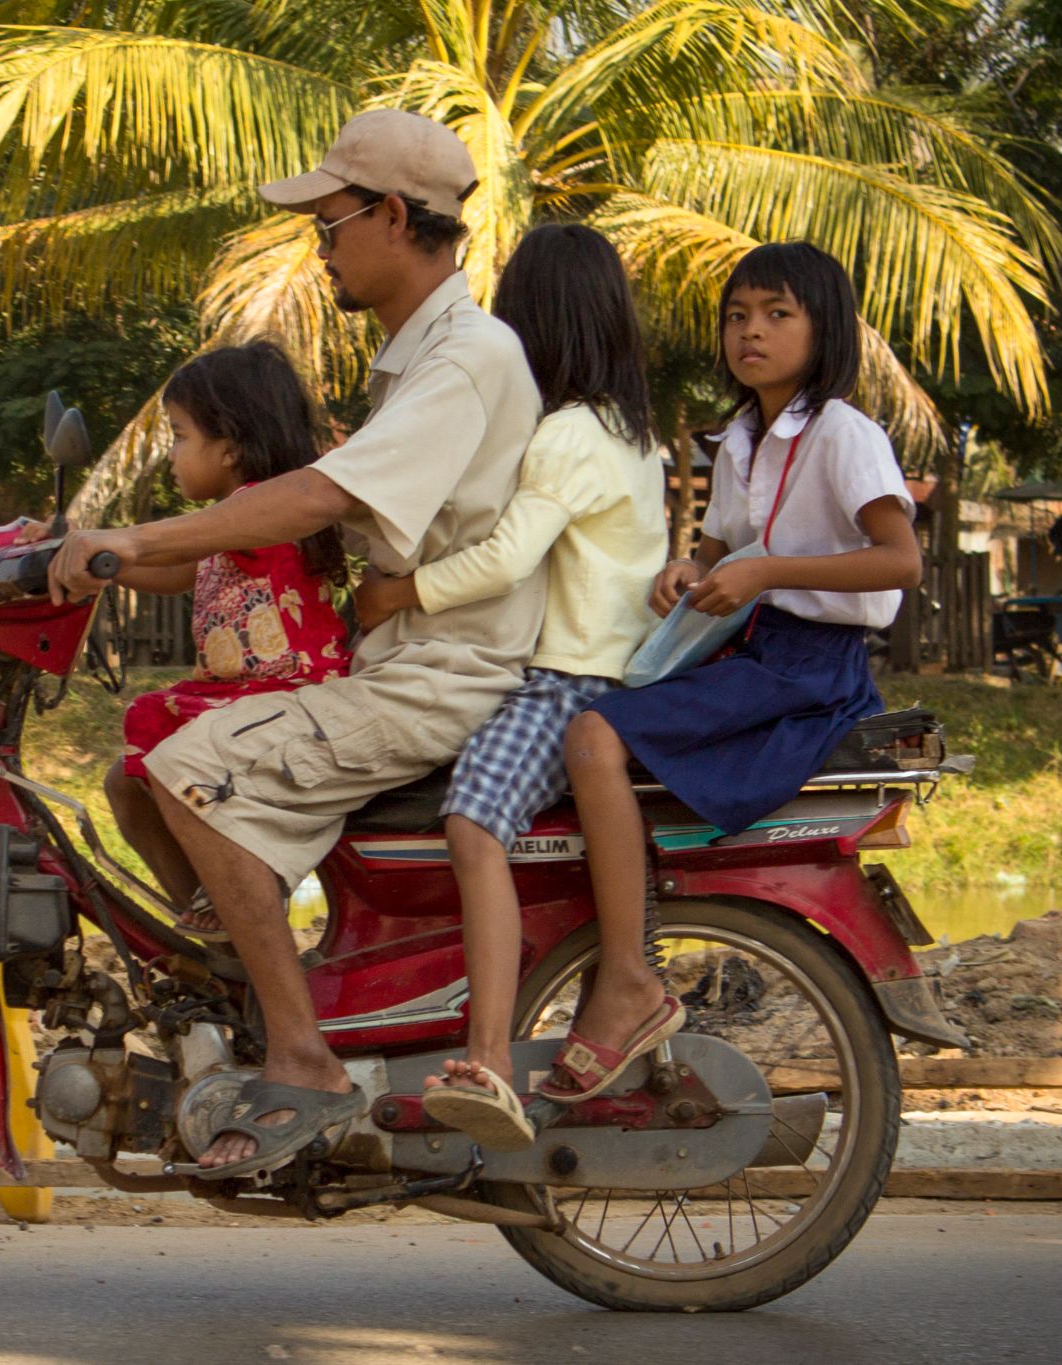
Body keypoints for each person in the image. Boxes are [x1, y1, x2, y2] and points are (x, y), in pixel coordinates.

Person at [49, 109, 544, 1178]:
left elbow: (311, 499)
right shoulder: (409, 364)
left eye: (330, 224)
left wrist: (126, 536)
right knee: (151, 759)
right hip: (398, 661)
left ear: (395, 217)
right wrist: (107, 556)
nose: (319, 248)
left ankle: (300, 1056)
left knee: (185, 766)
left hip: (433, 677)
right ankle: (241, 971)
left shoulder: (461, 359)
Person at [553, 240, 923, 1104]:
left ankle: (628, 977)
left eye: (776, 314)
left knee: (592, 737)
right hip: (750, 648)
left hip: (808, 670)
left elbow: (899, 561)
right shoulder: (742, 439)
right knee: (579, 728)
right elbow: (718, 549)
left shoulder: (843, 433)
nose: (750, 332)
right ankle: (625, 952)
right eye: (736, 316)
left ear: (824, 329)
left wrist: (768, 571)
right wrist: (688, 570)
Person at [349, 223, 666, 1148]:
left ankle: (487, 1054)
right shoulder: (632, 436)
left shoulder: (566, 434)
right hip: (605, 673)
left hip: (564, 681)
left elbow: (503, 557)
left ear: (539, 322)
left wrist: (395, 592)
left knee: (473, 820)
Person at [101, 343, 351, 935]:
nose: (171, 454)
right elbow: (169, 572)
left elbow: (171, 548)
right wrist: (95, 559)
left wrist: (113, 540)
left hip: (279, 697)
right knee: (125, 782)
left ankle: (230, 908)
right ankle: (213, 913)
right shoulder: (234, 521)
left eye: (180, 436)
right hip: (245, 696)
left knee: (161, 763)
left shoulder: (256, 511)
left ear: (231, 445)